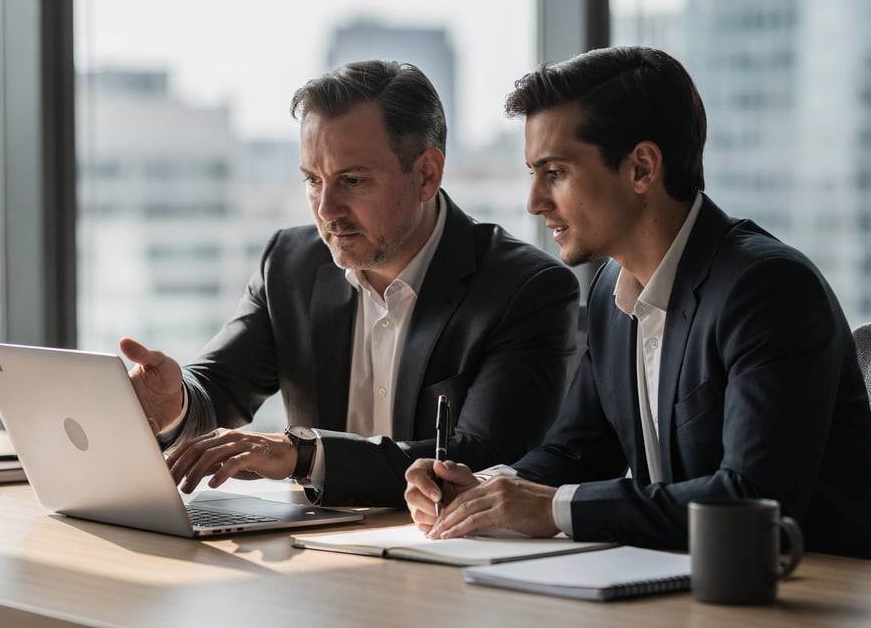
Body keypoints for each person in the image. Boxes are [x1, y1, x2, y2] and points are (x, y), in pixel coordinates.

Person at [404, 46, 871, 558]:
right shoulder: (611, 290)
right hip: (691, 587)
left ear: (641, 168)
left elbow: (751, 502)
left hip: (826, 590)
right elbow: (576, 451)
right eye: (532, 174)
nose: (535, 202)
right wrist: (484, 489)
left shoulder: (768, 289)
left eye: (555, 173)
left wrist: (551, 509)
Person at [120, 60, 580, 507]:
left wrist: (304, 456)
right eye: (313, 181)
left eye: (352, 180)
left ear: (426, 174)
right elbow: (217, 391)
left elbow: (486, 460)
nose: (326, 209)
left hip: (450, 557)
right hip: (319, 557)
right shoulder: (290, 264)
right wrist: (175, 402)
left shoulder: (526, 289)